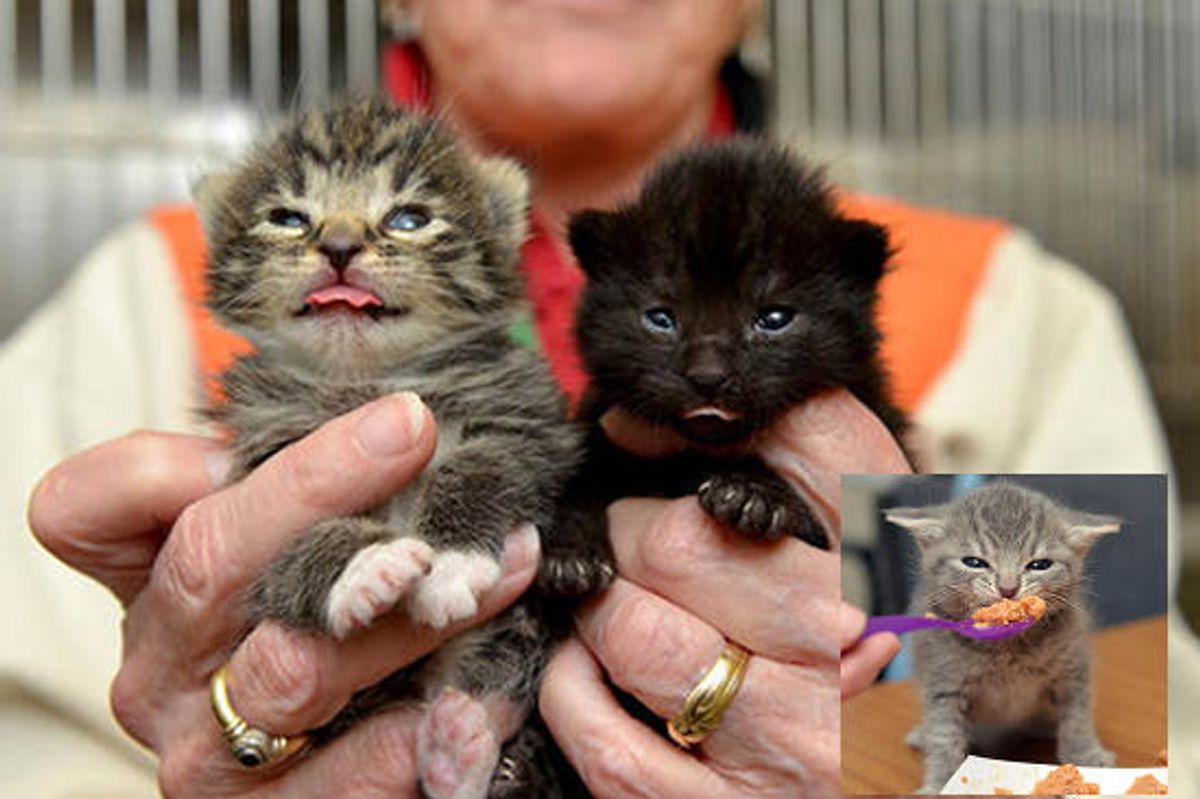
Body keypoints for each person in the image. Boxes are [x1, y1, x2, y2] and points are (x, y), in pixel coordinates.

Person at [3, 0, 1191, 796]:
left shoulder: (1003, 306)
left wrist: (917, 768)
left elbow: (1134, 760)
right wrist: (223, 753)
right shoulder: (153, 293)